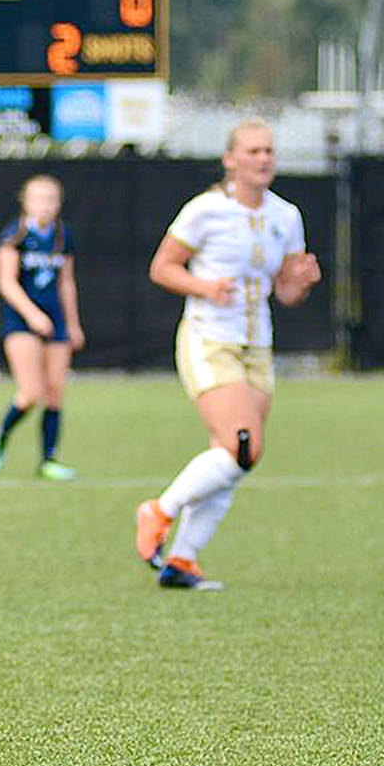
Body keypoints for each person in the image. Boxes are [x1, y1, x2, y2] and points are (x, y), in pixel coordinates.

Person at [135, 119, 320, 590]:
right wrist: (204, 286)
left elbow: (285, 291)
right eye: (254, 151)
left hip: (257, 344)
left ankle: (183, 561)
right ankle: (160, 510)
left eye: (269, 151)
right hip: (209, 337)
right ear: (230, 159)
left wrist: (298, 284)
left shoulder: (287, 215)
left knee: (238, 456)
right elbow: (162, 267)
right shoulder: (206, 210)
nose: (264, 159)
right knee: (242, 443)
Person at [0, 174, 85, 480]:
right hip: (22, 323)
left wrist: (73, 323)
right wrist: (33, 315)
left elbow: (66, 282)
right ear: (26, 201)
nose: (46, 205)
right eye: (39, 199)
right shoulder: (15, 234)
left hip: (56, 323)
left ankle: (48, 460)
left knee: (55, 392)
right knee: (31, 393)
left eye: (51, 199)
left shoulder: (63, 235)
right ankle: (0, 434)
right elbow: (7, 283)